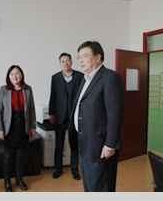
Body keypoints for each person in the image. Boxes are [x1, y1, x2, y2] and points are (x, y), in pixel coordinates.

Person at [73, 40, 124, 192]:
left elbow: (115, 115)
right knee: (89, 188)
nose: (80, 60)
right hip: (85, 145)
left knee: (101, 189)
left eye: (85, 56)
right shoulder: (86, 79)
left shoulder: (110, 78)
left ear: (97, 57)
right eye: (79, 57)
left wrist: (110, 145)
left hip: (100, 147)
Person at [0, 65, 36, 192]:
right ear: (8, 76)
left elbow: (31, 109)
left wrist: (33, 126)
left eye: (17, 73)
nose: (15, 76)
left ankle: (19, 179)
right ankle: (7, 181)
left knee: (21, 155)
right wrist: (0, 128)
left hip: (23, 125)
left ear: (21, 75)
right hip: (9, 127)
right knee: (8, 155)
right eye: (12, 74)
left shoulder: (28, 89)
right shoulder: (4, 90)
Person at [48, 53, 84, 180]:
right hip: (60, 116)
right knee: (59, 145)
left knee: (74, 144)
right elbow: (53, 96)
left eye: (67, 61)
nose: (65, 63)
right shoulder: (55, 78)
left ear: (71, 62)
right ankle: (58, 169)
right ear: (60, 63)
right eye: (63, 61)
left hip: (74, 116)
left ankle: (74, 170)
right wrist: (51, 113)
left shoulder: (80, 76)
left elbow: (82, 96)